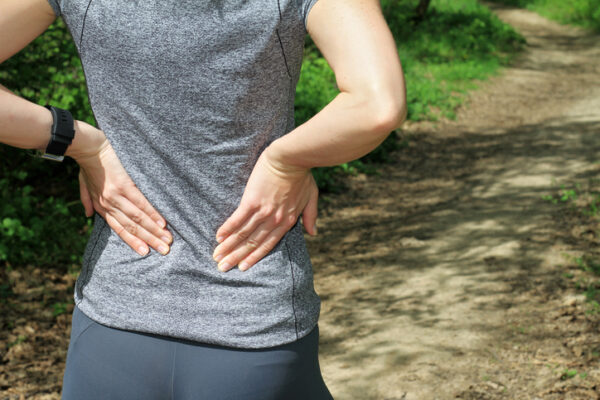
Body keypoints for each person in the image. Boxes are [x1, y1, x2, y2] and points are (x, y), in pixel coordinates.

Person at [0, 0, 406, 398]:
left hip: (114, 328)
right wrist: (287, 161)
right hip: (252, 330)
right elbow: (376, 104)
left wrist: (74, 141)